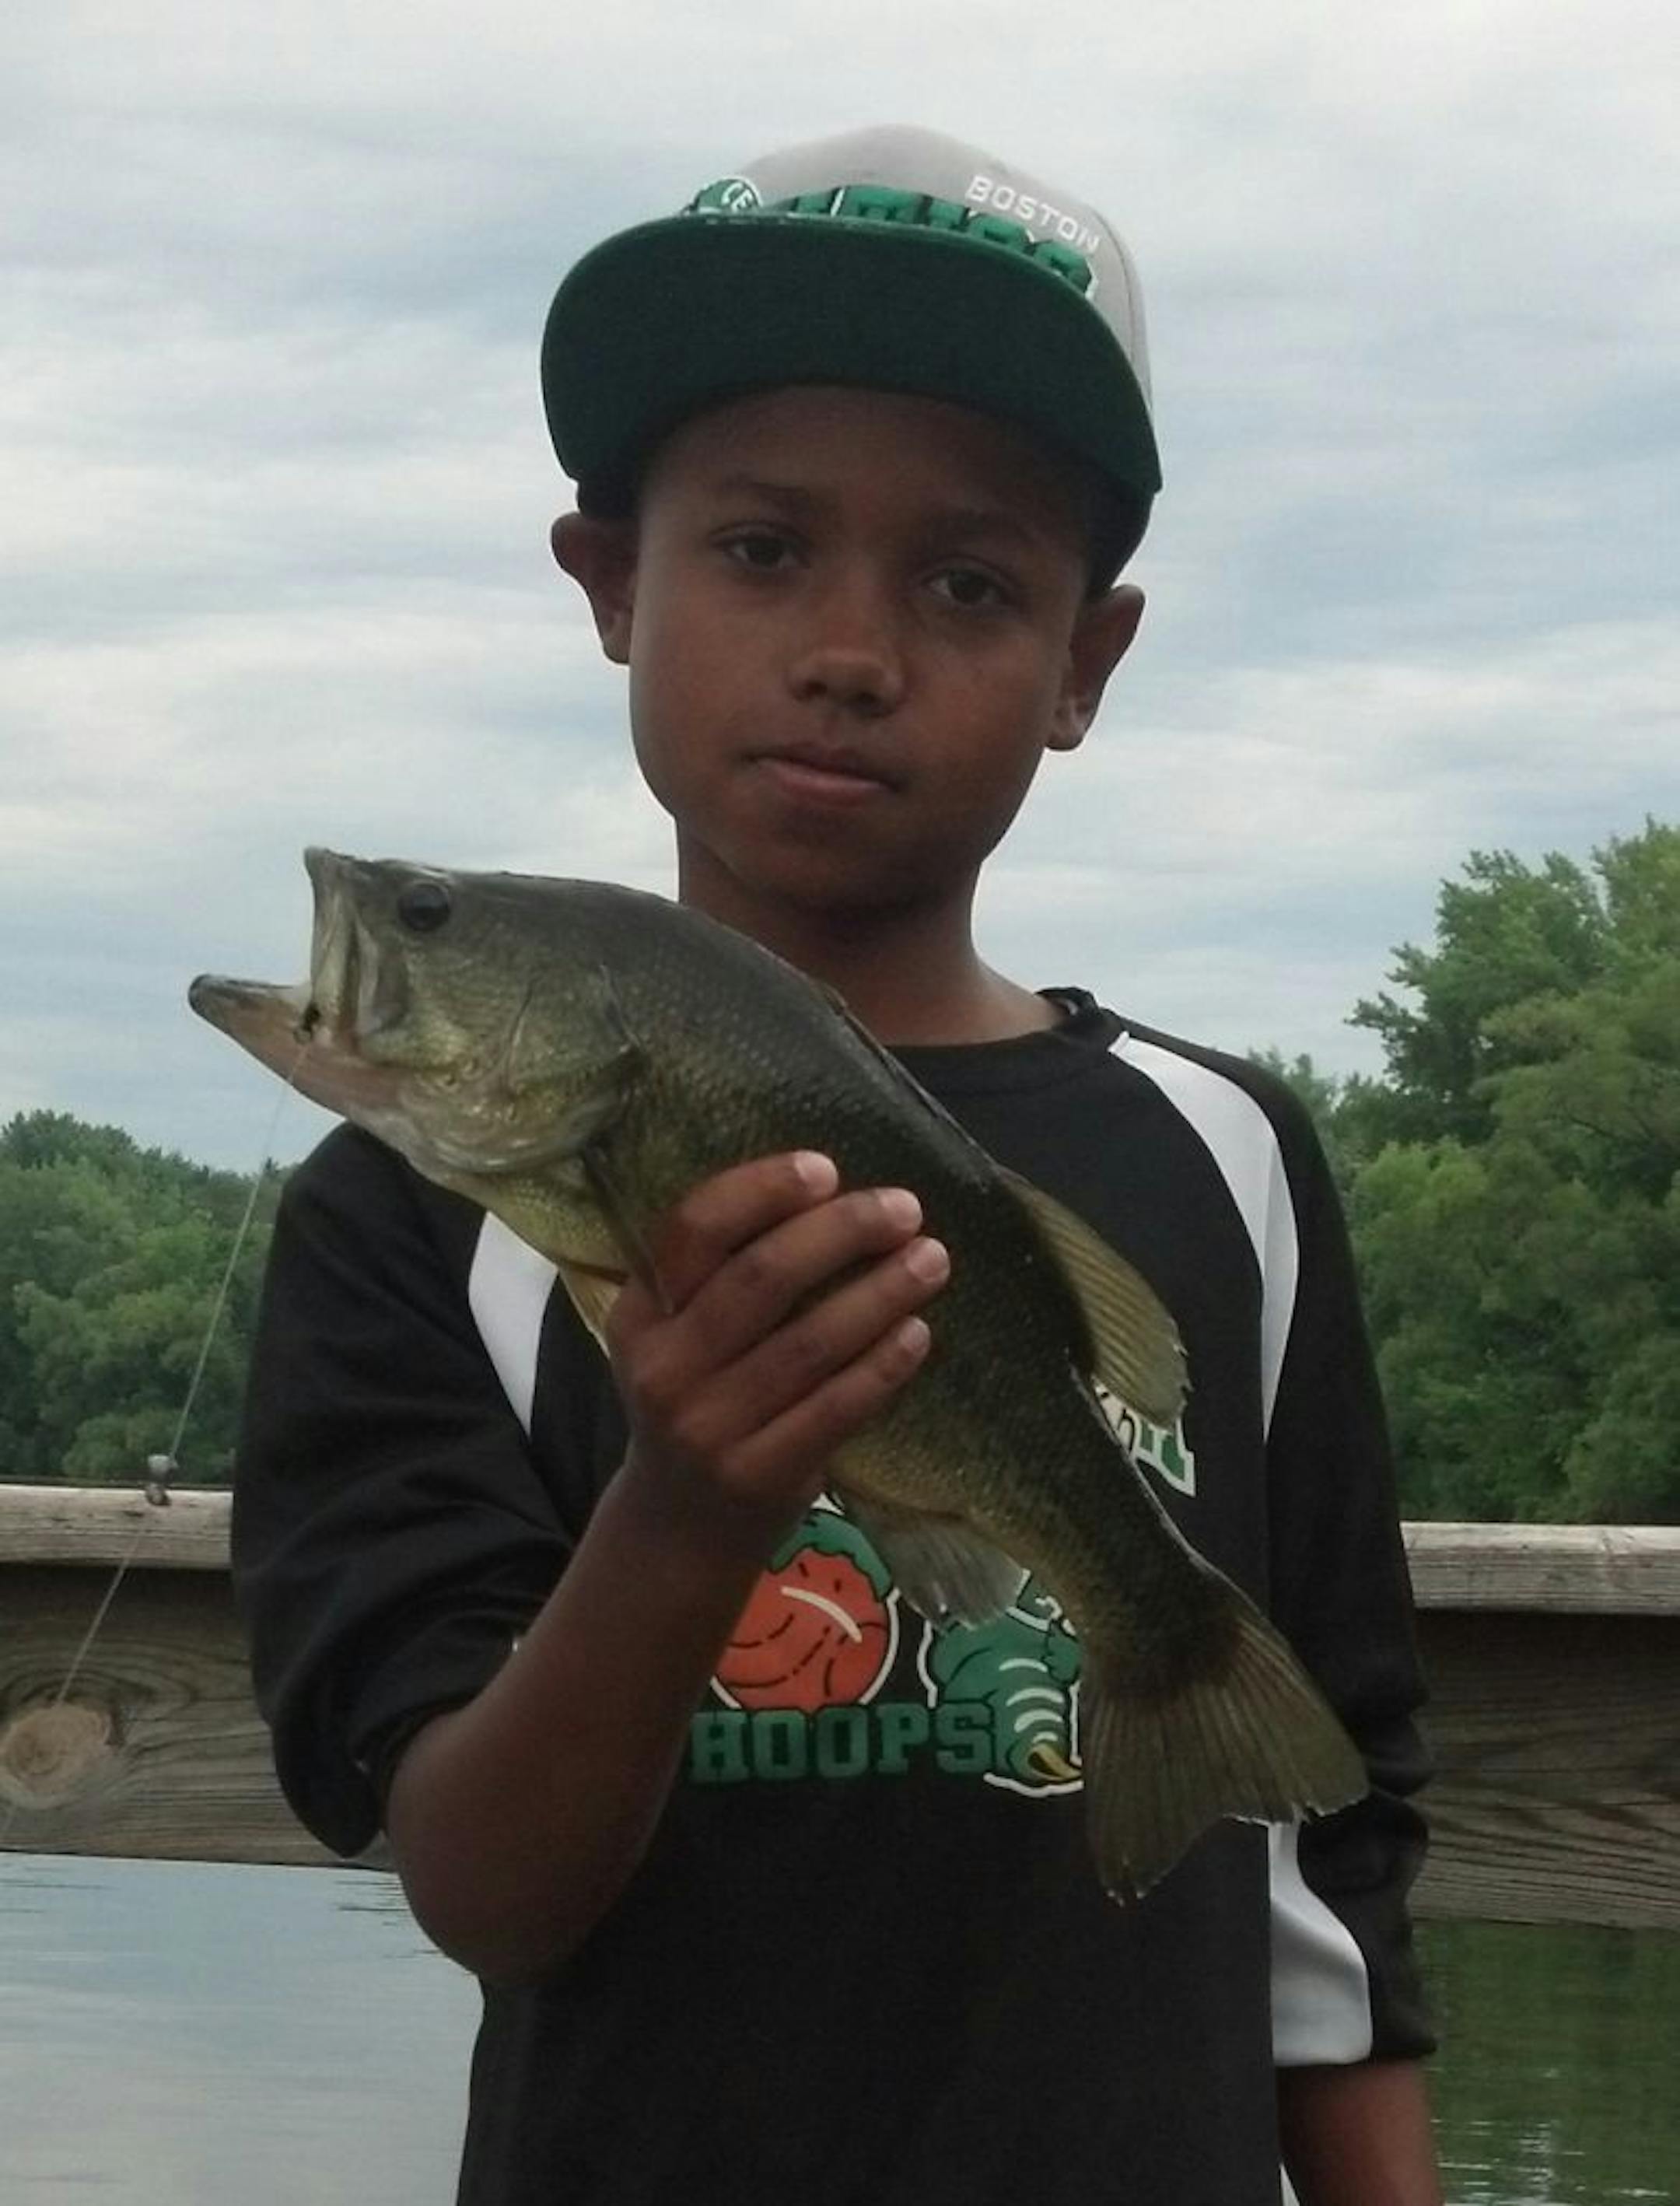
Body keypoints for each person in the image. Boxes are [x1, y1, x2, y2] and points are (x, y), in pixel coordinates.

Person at [233, 124, 1441, 2205]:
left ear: (1090, 661)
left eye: (969, 581)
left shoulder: (1227, 1162)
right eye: (763, 548)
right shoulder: (407, 1213)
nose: (854, 647)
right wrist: (688, 1508)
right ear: (612, 584)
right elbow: (479, 1882)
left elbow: (1332, 1875)